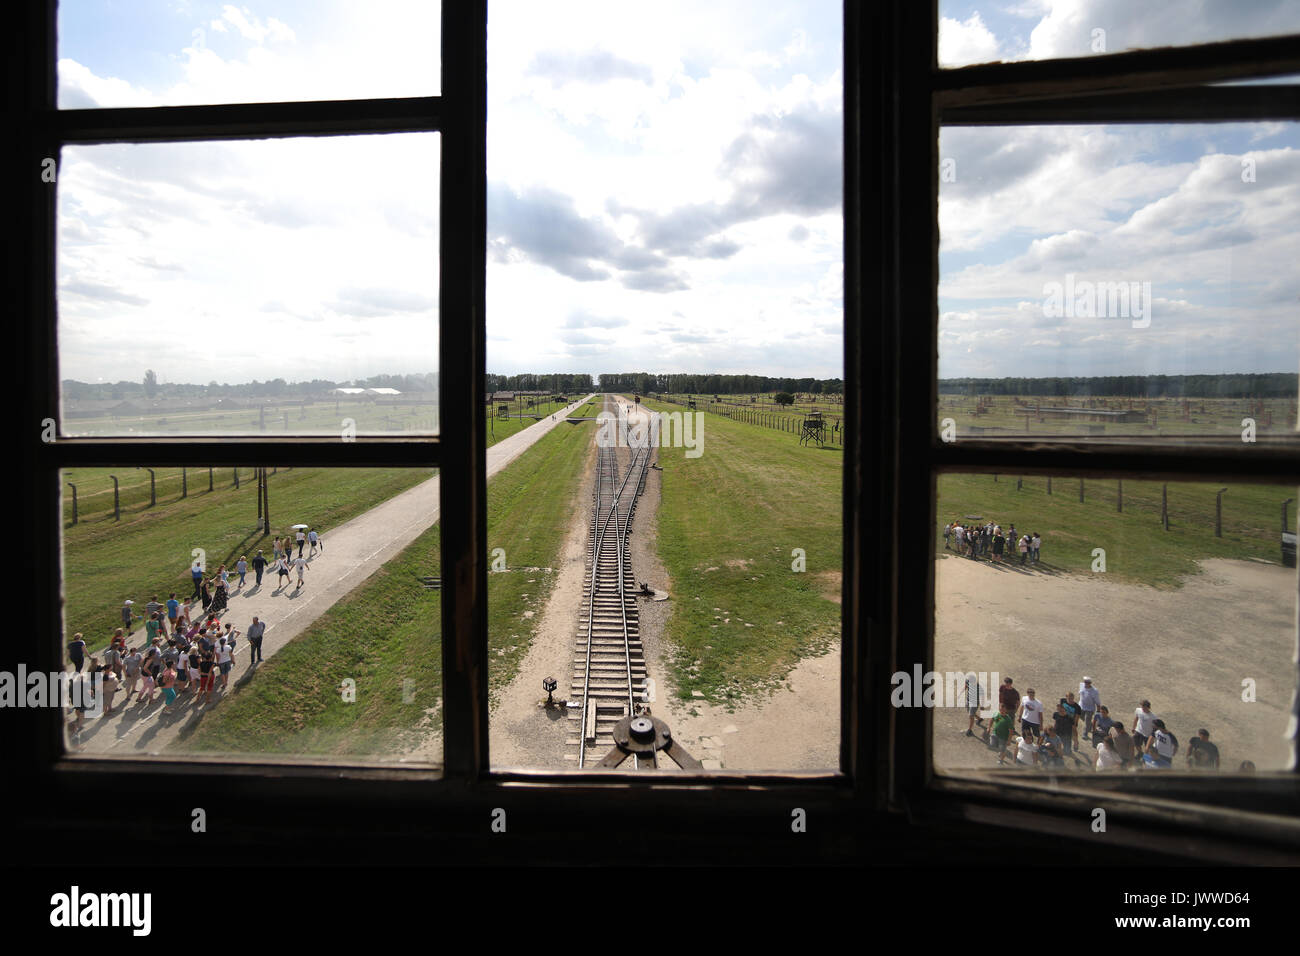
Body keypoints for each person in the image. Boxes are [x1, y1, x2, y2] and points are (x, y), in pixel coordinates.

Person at [960, 672, 985, 737]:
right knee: (970, 712)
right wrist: (961, 692)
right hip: (968, 700)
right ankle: (979, 719)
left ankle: (970, 730)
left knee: (971, 716)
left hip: (975, 703)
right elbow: (966, 685)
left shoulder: (979, 688)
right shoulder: (968, 681)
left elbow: (982, 697)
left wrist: (982, 705)